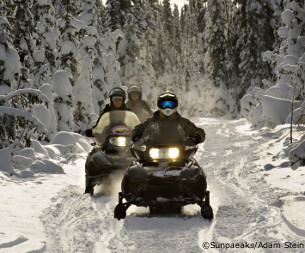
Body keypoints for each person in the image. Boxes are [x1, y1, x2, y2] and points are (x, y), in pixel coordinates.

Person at [131, 91, 205, 144]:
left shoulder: (182, 122)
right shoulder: (151, 121)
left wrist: (196, 137)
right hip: (153, 154)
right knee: (137, 164)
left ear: (175, 105)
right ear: (159, 105)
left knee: (192, 165)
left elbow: (199, 132)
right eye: (164, 104)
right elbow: (137, 129)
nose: (167, 107)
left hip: (178, 156)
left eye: (170, 104)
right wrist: (136, 135)